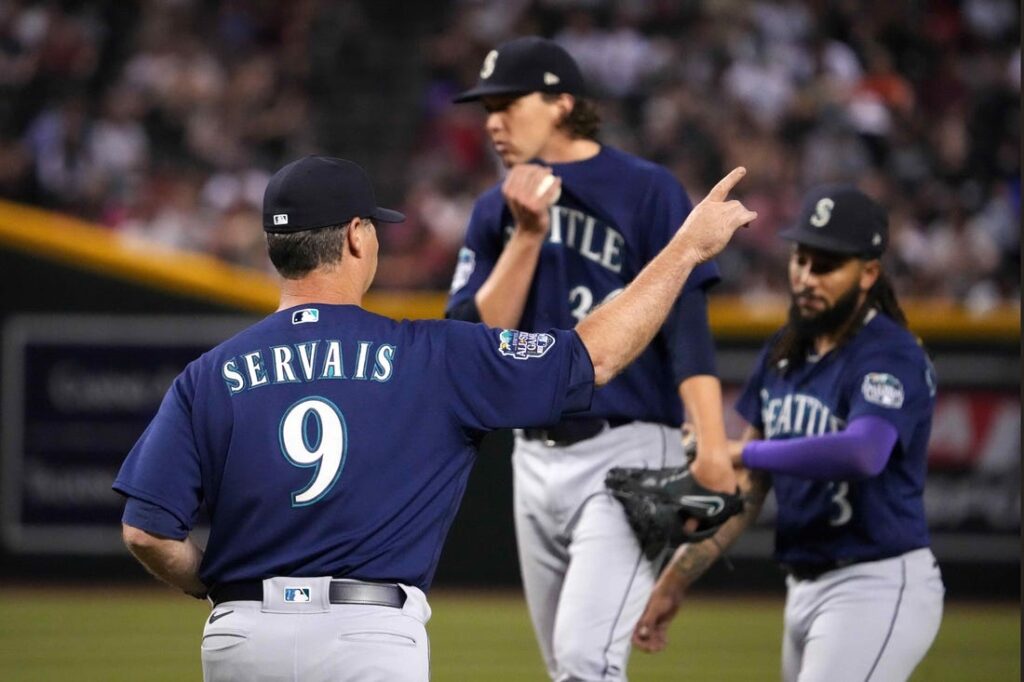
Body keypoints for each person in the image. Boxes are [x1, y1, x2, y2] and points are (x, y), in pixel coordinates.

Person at [113, 154, 756, 682]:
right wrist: (686, 250)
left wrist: (219, 588)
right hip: (366, 639)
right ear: (356, 236)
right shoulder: (431, 354)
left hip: (241, 640)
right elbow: (598, 355)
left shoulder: (210, 373)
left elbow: (146, 532)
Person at [445, 36, 738, 681]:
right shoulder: (494, 209)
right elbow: (471, 340)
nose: (491, 120)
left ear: (561, 102)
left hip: (627, 450)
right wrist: (525, 237)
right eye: (484, 107)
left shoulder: (644, 188)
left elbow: (685, 323)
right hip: (533, 458)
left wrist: (712, 441)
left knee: (585, 661)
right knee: (568, 667)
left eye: (506, 103)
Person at [633, 186, 945, 681]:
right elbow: (749, 489)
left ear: (868, 273)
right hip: (803, 587)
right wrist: (674, 581)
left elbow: (866, 452)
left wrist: (744, 450)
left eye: (825, 265)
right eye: (800, 259)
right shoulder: (785, 350)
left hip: (877, 582)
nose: (805, 277)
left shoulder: (889, 352)